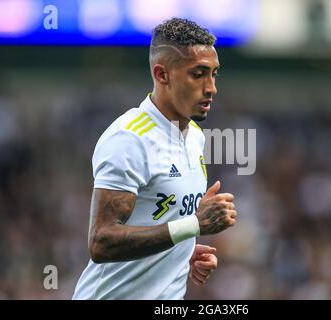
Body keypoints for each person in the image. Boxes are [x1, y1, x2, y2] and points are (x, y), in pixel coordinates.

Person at [72, 18, 237, 300]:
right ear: (162, 75)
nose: (211, 88)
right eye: (198, 74)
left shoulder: (195, 136)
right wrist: (194, 226)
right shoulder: (129, 139)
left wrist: (182, 251)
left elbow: (160, 219)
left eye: (214, 74)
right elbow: (101, 242)